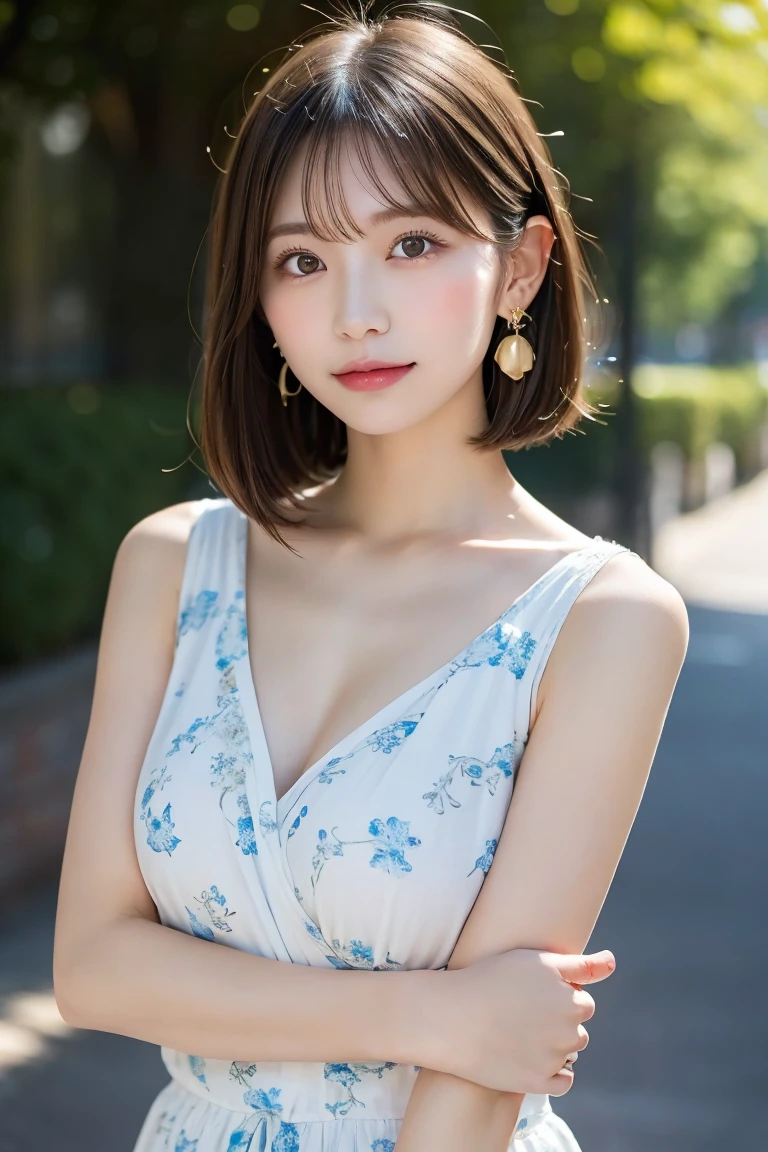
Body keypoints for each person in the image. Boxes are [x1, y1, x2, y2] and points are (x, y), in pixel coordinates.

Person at [52, 7, 689, 1152]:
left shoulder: (600, 619)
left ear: (523, 267)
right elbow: (93, 967)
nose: (355, 313)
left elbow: (486, 1079)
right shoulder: (177, 563)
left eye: (412, 244)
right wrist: (429, 1012)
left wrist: (467, 1036)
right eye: (303, 259)